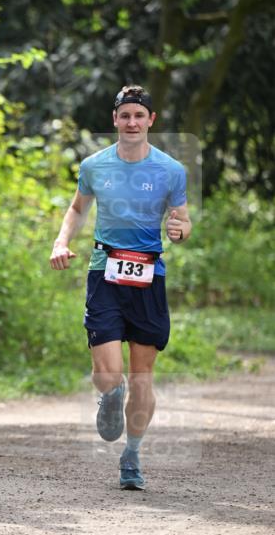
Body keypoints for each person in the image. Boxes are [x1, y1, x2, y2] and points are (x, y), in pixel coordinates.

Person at [49, 85, 192, 491]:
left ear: (151, 121)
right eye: (124, 115)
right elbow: (78, 208)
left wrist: (180, 230)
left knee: (142, 375)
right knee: (107, 372)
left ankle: (132, 454)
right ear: (115, 120)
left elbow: (182, 221)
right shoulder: (95, 165)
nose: (131, 122)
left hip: (148, 277)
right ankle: (111, 395)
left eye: (138, 116)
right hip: (104, 271)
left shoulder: (170, 170)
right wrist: (61, 242)